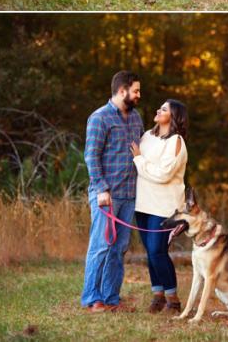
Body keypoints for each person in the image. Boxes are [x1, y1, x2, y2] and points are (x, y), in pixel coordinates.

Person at [81, 70, 144, 312]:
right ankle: (92, 297)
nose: (139, 95)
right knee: (101, 246)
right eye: (136, 90)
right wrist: (101, 189)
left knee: (119, 249)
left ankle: (111, 297)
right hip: (107, 195)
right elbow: (91, 156)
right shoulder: (100, 118)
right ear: (122, 91)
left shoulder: (136, 118)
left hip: (129, 195)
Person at [130, 98, 189, 314]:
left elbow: (163, 174)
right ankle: (158, 295)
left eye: (164, 109)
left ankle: (173, 300)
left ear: (173, 117)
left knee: (157, 251)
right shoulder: (147, 135)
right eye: (160, 106)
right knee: (150, 252)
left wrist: (139, 161)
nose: (158, 109)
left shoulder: (176, 142)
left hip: (164, 206)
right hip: (143, 203)